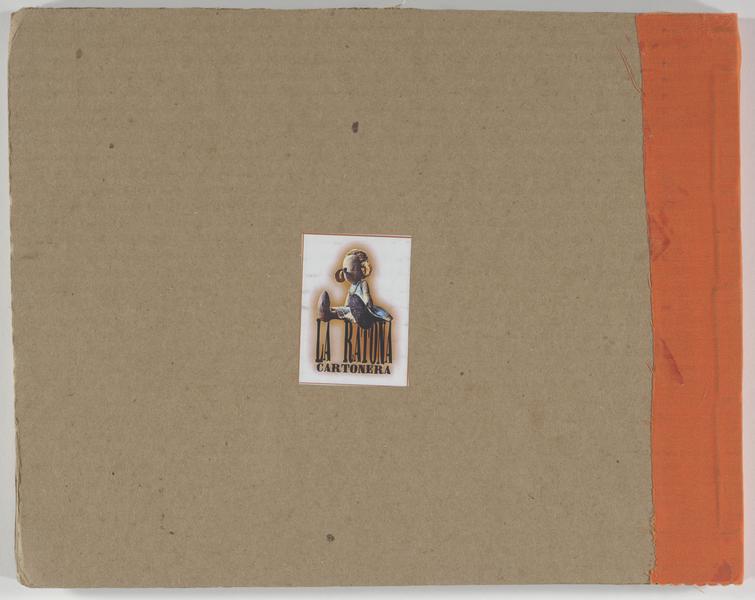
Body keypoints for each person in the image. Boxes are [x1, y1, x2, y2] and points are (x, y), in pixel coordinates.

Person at [317, 249, 392, 329]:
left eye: (352, 269)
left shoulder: (363, 283)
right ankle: (327, 313)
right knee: (345, 309)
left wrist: (367, 301)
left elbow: (366, 294)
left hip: (364, 307)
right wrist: (345, 306)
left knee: (354, 301)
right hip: (352, 308)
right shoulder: (352, 287)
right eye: (345, 270)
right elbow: (347, 302)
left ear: (362, 269)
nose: (347, 273)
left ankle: (362, 317)